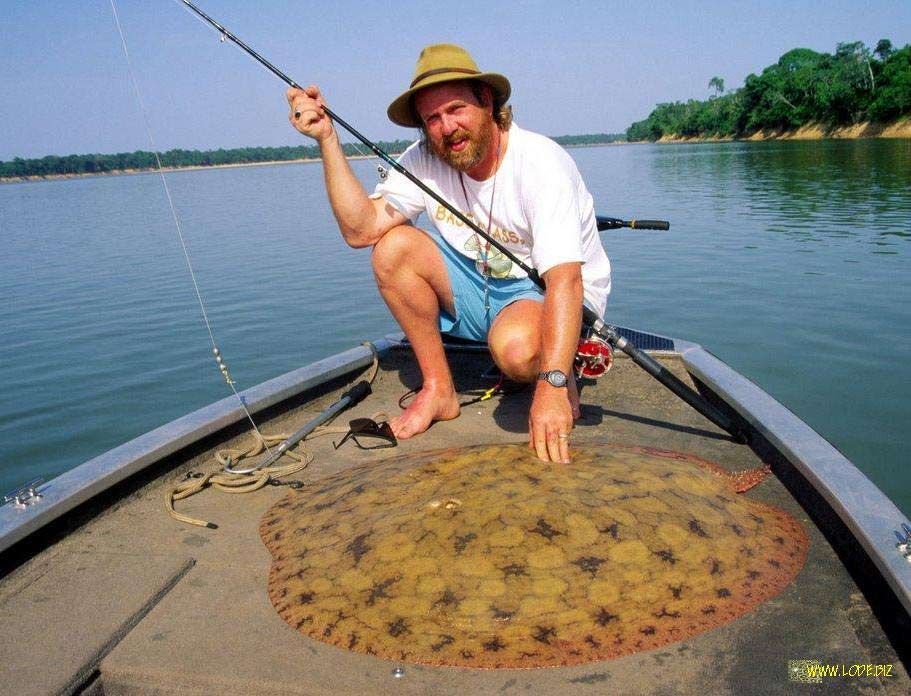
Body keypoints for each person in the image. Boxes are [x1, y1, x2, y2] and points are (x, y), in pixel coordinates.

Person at [286, 44, 611, 465]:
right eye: (432, 119)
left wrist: (549, 386)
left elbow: (566, 280)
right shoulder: (424, 159)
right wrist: (327, 138)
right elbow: (360, 229)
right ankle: (439, 389)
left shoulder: (541, 164)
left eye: (456, 109)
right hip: (478, 283)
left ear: (487, 102)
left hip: (546, 291)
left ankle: (561, 360)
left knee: (517, 352)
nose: (447, 127)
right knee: (392, 248)